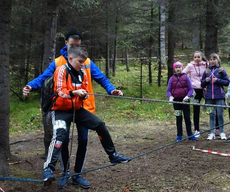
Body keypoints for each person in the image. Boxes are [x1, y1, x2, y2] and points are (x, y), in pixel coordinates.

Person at [23, 29, 123, 189]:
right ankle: (64, 173)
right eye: (72, 45)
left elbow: (101, 78)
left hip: (83, 107)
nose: (75, 48)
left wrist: (111, 90)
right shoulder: (58, 64)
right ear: (66, 44)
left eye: (77, 45)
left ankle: (78, 174)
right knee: (62, 139)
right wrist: (30, 85)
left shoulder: (86, 62)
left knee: (83, 140)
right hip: (62, 108)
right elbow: (45, 79)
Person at [42, 46, 130, 187]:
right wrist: (75, 93)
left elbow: (85, 90)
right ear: (71, 59)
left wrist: (84, 94)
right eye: (80, 62)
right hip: (60, 110)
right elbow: (60, 91)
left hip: (77, 109)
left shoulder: (82, 73)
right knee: (60, 136)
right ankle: (48, 169)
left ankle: (113, 155)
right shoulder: (61, 70)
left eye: (83, 62)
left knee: (100, 125)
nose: (82, 64)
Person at [201, 53, 229, 140]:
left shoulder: (221, 70)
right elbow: (202, 84)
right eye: (211, 59)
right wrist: (205, 81)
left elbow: (227, 82)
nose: (212, 61)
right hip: (209, 97)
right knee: (211, 114)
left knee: (220, 114)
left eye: (214, 59)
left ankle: (222, 132)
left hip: (219, 96)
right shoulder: (206, 71)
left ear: (218, 60)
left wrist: (218, 80)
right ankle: (212, 133)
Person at [167, 61, 197, 142]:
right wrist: (170, 97)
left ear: (182, 68)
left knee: (187, 117)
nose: (178, 69)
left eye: (179, 67)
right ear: (174, 69)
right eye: (176, 67)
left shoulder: (186, 77)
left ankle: (190, 134)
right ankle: (179, 135)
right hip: (176, 102)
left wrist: (188, 96)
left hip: (185, 101)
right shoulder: (171, 78)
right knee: (178, 117)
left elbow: (191, 89)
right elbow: (168, 90)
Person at [183, 51, 208, 138]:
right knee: (196, 109)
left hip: (206, 90)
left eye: (198, 57)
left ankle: (215, 129)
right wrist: (189, 83)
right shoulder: (190, 65)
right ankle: (197, 130)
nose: (197, 59)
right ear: (193, 58)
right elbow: (183, 74)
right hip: (195, 91)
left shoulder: (206, 65)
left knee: (212, 108)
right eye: (195, 57)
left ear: (201, 57)